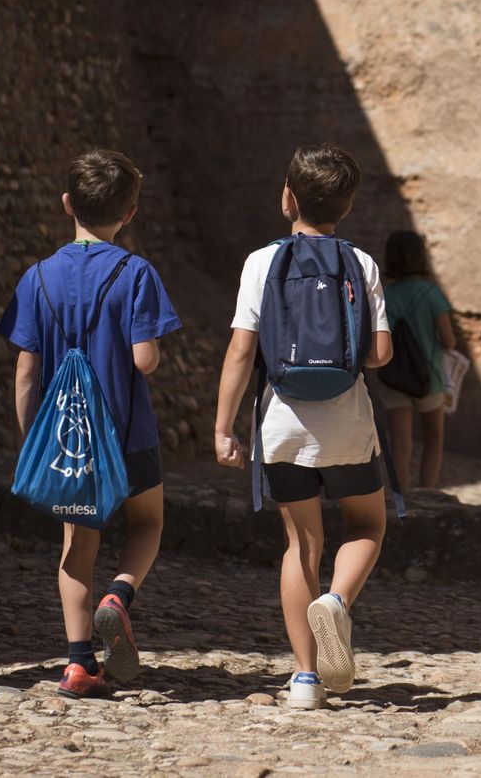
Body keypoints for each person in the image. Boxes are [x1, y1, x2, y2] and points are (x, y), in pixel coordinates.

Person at [212, 145, 393, 710]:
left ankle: (306, 681)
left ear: (286, 198)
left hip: (282, 421)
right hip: (346, 420)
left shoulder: (260, 263)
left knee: (300, 545)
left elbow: (241, 352)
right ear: (349, 205)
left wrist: (223, 428)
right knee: (367, 525)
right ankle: (337, 603)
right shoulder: (360, 263)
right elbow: (379, 355)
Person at [0, 151, 181, 698]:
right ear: (130, 213)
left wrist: (33, 438)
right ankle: (118, 598)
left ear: (66, 204)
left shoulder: (37, 278)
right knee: (148, 523)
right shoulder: (136, 272)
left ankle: (79, 664)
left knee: (76, 549)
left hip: (66, 441)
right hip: (129, 432)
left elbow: (26, 370)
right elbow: (144, 359)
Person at [375, 230, 456, 489]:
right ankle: (428, 493)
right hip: (428, 378)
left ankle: (403, 497)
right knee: (434, 437)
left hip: (393, 377)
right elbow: (449, 340)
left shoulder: (384, 296)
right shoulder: (431, 294)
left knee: (401, 443)